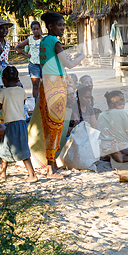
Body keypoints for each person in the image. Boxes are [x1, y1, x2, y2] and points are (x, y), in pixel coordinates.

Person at [39, 12, 85, 179]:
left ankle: (51, 164)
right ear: (50, 26)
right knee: (56, 125)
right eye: (60, 25)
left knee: (49, 124)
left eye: (63, 25)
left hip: (46, 84)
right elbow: (70, 65)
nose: (63, 28)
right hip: (55, 86)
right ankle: (51, 169)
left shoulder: (44, 41)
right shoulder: (55, 41)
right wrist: (82, 56)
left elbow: (56, 61)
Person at [0, 66, 37, 182]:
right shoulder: (21, 90)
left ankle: (32, 174)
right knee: (5, 146)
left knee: (19, 149)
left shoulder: (2, 92)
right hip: (21, 123)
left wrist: (0, 93)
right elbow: (22, 102)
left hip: (11, 123)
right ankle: (3, 171)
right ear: (17, 79)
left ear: (3, 79)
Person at [98, 90, 128, 163]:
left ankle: (115, 155)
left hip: (105, 148)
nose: (124, 102)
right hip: (121, 146)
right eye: (121, 100)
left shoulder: (101, 115)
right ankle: (123, 156)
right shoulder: (121, 113)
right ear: (112, 100)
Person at [15, 21, 44, 102]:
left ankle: (45, 103)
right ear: (31, 30)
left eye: (37, 29)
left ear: (40, 29)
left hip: (44, 64)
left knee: (46, 84)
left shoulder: (44, 38)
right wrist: (26, 54)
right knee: (35, 85)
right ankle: (36, 104)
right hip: (34, 65)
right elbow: (17, 47)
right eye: (33, 29)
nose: (35, 31)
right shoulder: (29, 39)